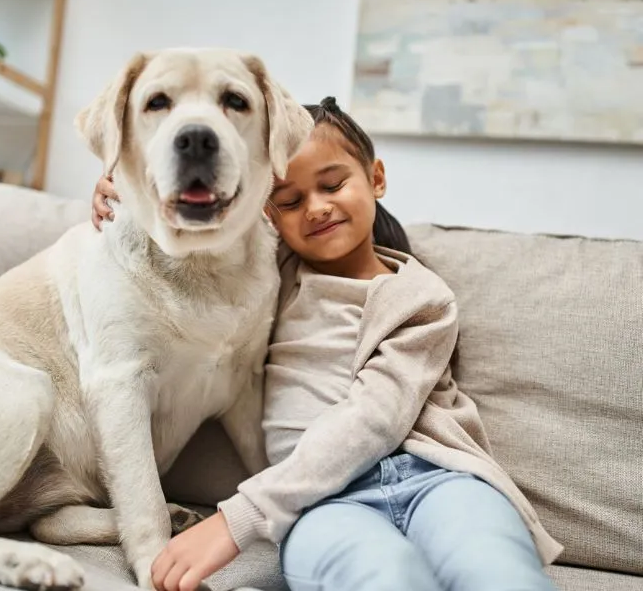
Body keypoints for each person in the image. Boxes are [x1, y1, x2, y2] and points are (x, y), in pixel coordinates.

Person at [92, 96, 563, 591]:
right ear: (266, 213)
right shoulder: (261, 277)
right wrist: (129, 189)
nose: (316, 208)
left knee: (494, 570)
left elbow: (374, 419)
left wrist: (237, 520)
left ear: (376, 178)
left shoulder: (422, 298)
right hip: (321, 506)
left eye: (333, 184)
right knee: (384, 576)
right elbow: (187, 235)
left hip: (438, 480)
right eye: (289, 201)